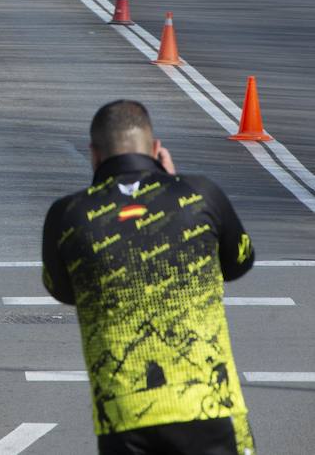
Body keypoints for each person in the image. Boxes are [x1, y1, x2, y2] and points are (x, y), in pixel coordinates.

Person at [42, 100, 255, 455]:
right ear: (157, 150)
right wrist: (171, 187)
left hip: (123, 416)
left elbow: (62, 290)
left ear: (94, 156)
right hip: (209, 407)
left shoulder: (67, 215)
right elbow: (239, 262)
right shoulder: (200, 194)